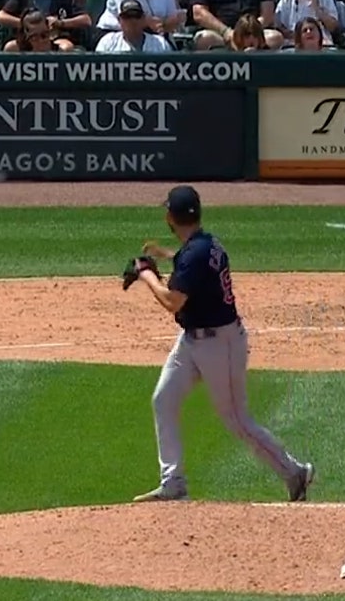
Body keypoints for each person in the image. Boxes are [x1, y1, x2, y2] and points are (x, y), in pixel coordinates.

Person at [130, 185, 316, 503]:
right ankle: (173, 481)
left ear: (169, 217)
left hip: (220, 345)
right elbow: (192, 265)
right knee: (164, 399)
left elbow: (173, 301)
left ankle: (294, 472)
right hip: (192, 341)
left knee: (236, 419)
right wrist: (165, 256)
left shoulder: (195, 253)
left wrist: (146, 275)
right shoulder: (205, 244)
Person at [95, 0, 172, 52]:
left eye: (137, 16)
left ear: (143, 19)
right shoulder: (108, 42)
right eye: (127, 17)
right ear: (119, 20)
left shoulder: (160, 43)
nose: (133, 21)